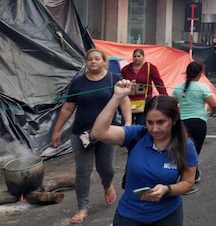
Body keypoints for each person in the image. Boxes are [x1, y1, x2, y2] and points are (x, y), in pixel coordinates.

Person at [90, 88, 197, 226]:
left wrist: (167, 190)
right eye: (150, 122)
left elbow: (188, 183)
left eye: (161, 122)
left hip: (167, 216)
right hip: (129, 216)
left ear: (174, 120)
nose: (154, 129)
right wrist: (117, 97)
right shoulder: (136, 135)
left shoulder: (185, 146)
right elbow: (98, 132)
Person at [50, 48, 132, 224]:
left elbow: (124, 101)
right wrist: (56, 130)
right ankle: (82, 208)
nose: (93, 62)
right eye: (90, 59)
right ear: (86, 63)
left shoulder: (114, 79)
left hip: (107, 133)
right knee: (82, 172)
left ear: (104, 61)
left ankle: (107, 184)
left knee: (106, 168)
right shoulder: (78, 83)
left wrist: (128, 125)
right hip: (81, 134)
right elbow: (67, 108)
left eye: (97, 59)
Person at [172, 61, 216, 187]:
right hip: (199, 123)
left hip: (182, 123)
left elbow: (172, 105)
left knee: (183, 148)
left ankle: (186, 173)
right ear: (200, 74)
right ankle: (192, 174)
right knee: (195, 149)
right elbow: (213, 104)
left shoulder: (178, 88)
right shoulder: (202, 87)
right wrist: (214, 113)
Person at [121, 48, 168, 126]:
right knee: (127, 125)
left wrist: (165, 97)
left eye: (138, 56)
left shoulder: (150, 67)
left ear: (143, 57)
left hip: (145, 101)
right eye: (134, 56)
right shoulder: (126, 69)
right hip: (128, 102)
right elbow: (121, 82)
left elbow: (158, 83)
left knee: (142, 125)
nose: (136, 58)